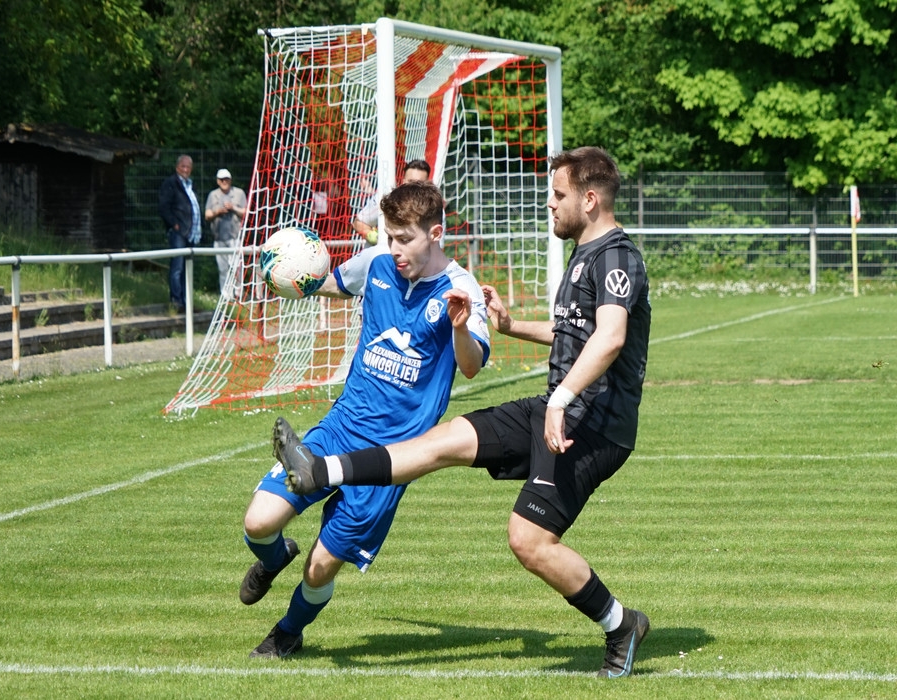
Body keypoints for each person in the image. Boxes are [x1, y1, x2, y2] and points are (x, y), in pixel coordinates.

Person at [275, 146, 653, 678]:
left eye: (558, 194)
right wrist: (511, 327)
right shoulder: (585, 254)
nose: (549, 203)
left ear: (589, 200)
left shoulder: (616, 257)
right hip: (558, 409)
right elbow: (575, 333)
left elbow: (610, 338)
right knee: (443, 440)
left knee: (528, 540)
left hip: (593, 427)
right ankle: (320, 470)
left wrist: (561, 399)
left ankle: (621, 624)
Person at [241, 180, 490, 659]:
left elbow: (472, 365)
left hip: (390, 458)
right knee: (258, 522)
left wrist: (459, 328)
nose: (394, 248)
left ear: (435, 234)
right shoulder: (377, 262)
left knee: (320, 569)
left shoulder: (462, 290)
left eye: (404, 239)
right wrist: (294, 277)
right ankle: (273, 560)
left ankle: (287, 632)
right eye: (389, 236)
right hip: (340, 428)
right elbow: (336, 283)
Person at [352, 159, 432, 245]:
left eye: (419, 183)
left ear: (427, 184)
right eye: (411, 181)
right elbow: (359, 223)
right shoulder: (387, 199)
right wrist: (375, 238)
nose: (414, 186)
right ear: (404, 181)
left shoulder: (434, 207)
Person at [158, 154, 201, 312]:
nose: (186, 169)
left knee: (187, 268)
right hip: (178, 232)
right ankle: (176, 300)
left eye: (188, 167)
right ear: (177, 168)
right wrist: (174, 224)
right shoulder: (171, 183)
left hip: (191, 233)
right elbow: (164, 207)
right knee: (177, 267)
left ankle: (186, 301)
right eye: (183, 166)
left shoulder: (191, 185)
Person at [204, 168, 247, 293]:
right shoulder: (213, 195)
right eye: (222, 179)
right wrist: (217, 212)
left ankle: (238, 294)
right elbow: (207, 215)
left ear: (230, 180)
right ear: (218, 181)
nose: (224, 181)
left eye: (227, 179)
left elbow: (246, 212)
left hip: (235, 237)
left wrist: (233, 208)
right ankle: (226, 295)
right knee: (222, 269)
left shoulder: (239, 193)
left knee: (236, 267)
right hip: (219, 238)